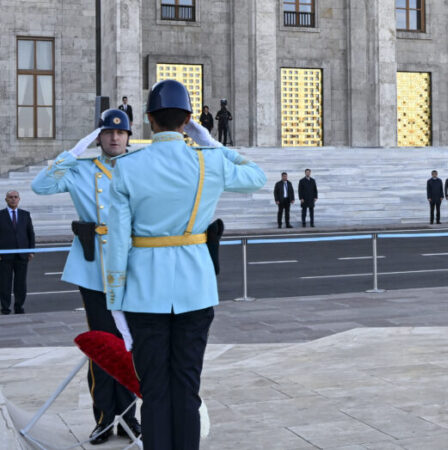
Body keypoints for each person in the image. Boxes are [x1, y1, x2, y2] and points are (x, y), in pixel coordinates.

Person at [104, 79, 265, 448]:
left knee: (155, 390)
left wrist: (115, 299)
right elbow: (256, 176)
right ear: (188, 120)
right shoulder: (208, 162)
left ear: (148, 120)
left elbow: (117, 241)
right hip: (195, 290)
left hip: (145, 293)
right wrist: (208, 140)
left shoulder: (128, 166)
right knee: (188, 388)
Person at [31, 109, 140, 444]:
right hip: (95, 269)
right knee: (102, 343)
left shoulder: (140, 168)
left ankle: (128, 417)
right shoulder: (80, 169)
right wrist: (74, 151)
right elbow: (41, 185)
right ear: (98, 137)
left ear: (128, 136)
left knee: (130, 344)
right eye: (107, 132)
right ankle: (105, 417)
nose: (114, 138)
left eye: (120, 133)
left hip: (133, 266)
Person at [0, 190, 34, 314]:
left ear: (19, 199)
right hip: (4, 256)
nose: (13, 199)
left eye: (15, 197)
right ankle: (5, 307)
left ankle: (19, 306)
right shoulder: (1, 215)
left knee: (20, 284)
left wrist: (31, 251)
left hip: (22, 255)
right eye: (10, 197)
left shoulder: (25, 215)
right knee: (4, 283)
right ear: (6, 200)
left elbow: (30, 233)